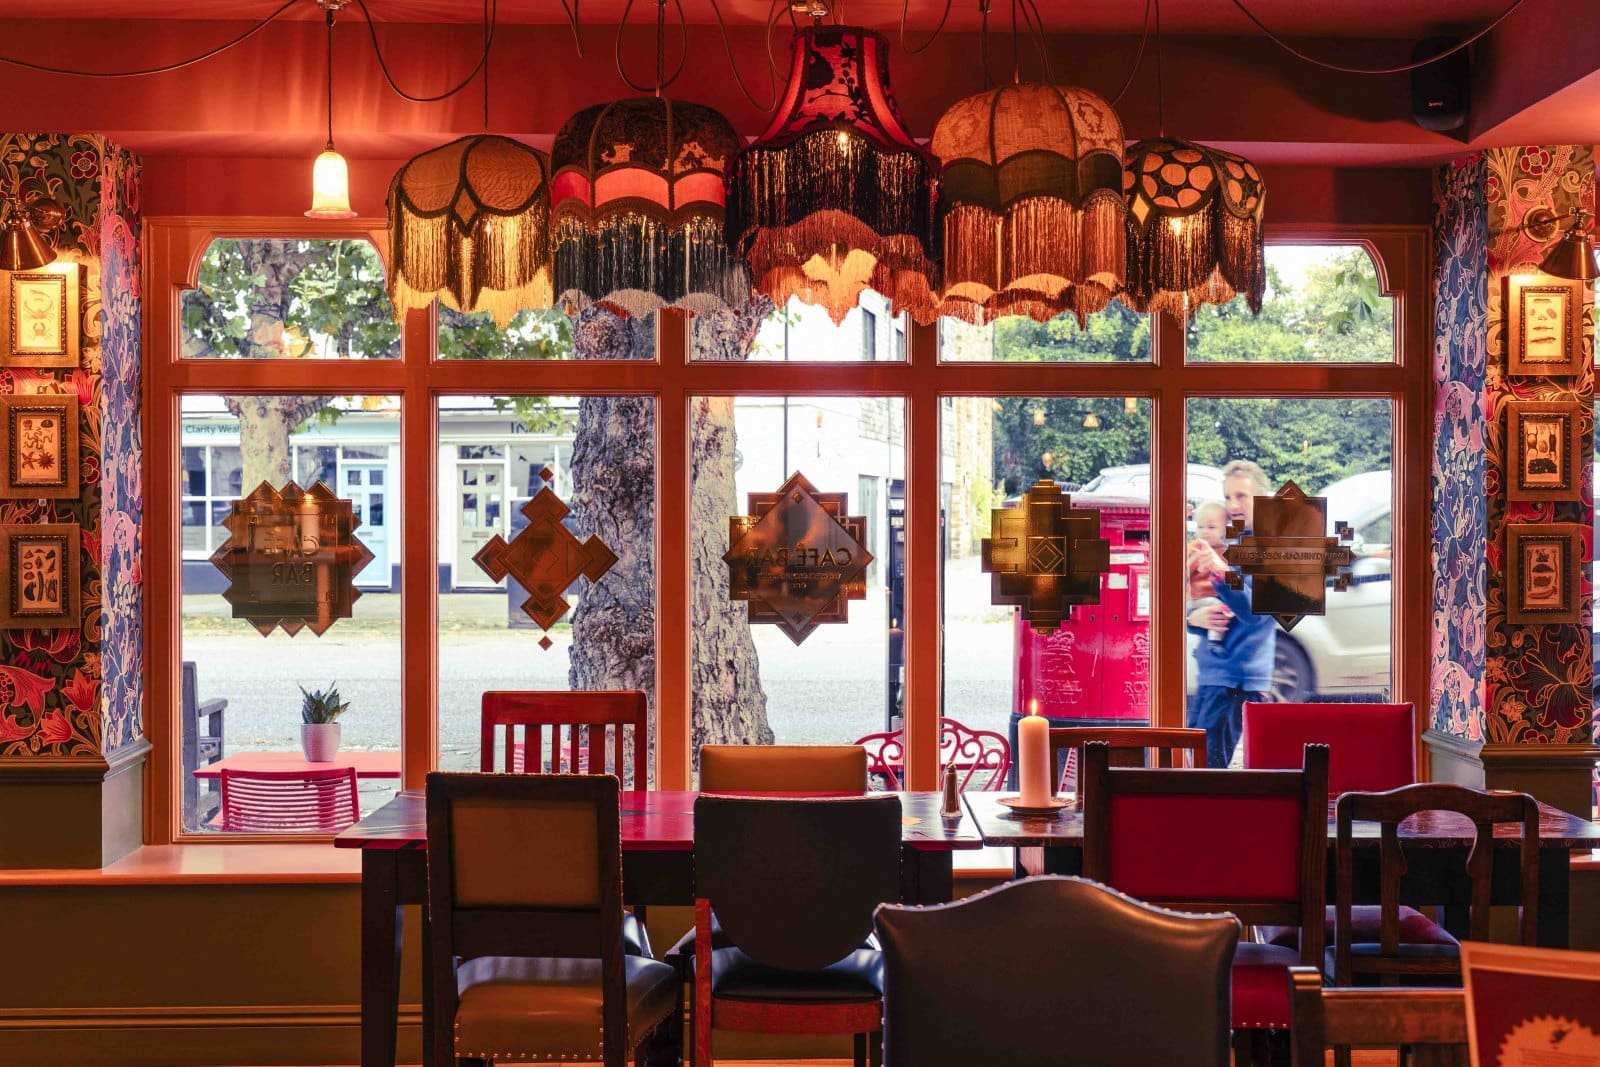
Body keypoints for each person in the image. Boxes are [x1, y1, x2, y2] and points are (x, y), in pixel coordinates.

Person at [1186, 460, 1277, 768]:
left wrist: (1220, 570)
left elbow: (1255, 612)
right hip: (1214, 673)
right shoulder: (1230, 543)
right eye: (1227, 497)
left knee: (1211, 769)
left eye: (1241, 496)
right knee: (1198, 760)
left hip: (1237, 677)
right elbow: (1202, 600)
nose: (1232, 505)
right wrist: (1192, 619)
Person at [1186, 501, 1230, 644]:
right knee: (1218, 607)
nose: (1204, 531)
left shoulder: (1224, 551)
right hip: (1197, 597)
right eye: (1200, 527)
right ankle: (1215, 641)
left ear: (1224, 529)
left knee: (1219, 607)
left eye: (1211, 527)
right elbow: (1183, 571)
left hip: (1211, 595)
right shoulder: (1197, 548)